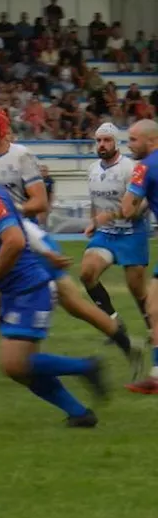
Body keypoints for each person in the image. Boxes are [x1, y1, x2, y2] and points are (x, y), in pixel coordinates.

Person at [0, 138, 105, 426]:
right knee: (18, 368)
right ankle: (80, 414)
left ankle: (86, 367)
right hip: (16, 290)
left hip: (29, 289)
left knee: (14, 364)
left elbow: (15, 241)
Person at [0, 107, 129, 350]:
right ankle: (22, 347)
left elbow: (40, 203)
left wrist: (7, 213)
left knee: (72, 304)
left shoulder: (21, 155)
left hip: (26, 239)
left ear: (3, 128)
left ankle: (117, 339)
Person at [80, 124, 150, 336]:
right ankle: (114, 323)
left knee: (137, 291)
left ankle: (152, 329)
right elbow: (96, 202)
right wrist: (94, 221)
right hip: (106, 234)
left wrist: (113, 215)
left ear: (116, 142)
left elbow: (142, 205)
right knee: (87, 273)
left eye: (107, 140)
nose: (102, 144)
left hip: (131, 234)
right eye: (99, 140)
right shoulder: (92, 169)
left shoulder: (130, 168)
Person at [121, 120, 158, 393]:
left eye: (134, 140)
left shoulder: (144, 167)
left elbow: (126, 209)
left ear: (151, 140)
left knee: (155, 308)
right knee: (155, 308)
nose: (129, 145)